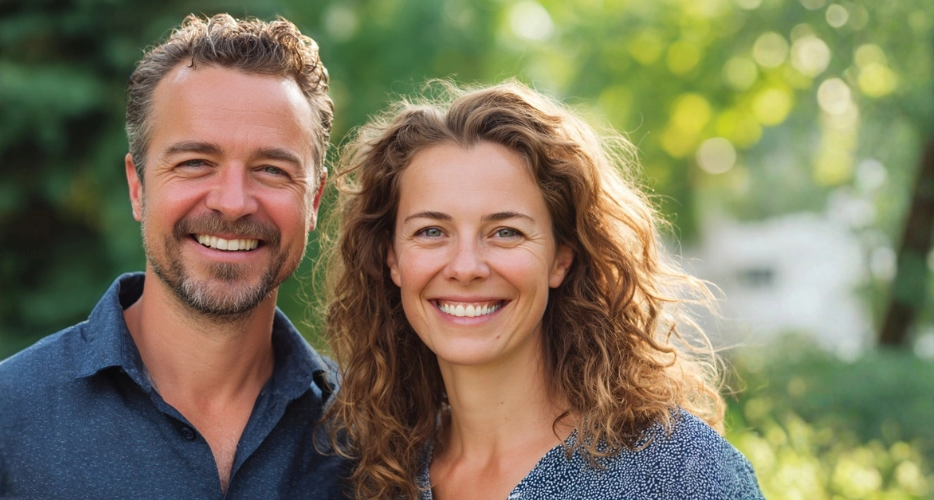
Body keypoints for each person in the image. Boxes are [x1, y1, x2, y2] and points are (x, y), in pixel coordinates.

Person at [0, 14, 348, 498]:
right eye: (194, 163)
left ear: (313, 201)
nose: (231, 201)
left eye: (271, 170)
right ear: (137, 186)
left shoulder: (381, 443)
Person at [320, 81, 763, 499]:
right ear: (391, 258)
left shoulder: (682, 473)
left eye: (506, 232)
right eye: (432, 231)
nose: (466, 267)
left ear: (561, 258)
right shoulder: (371, 477)